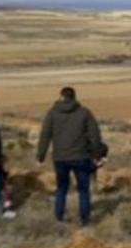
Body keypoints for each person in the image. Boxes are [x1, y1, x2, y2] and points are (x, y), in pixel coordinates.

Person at [37, 87, 104, 226]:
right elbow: (95, 135)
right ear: (74, 97)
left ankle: (59, 218)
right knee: (83, 190)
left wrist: (40, 156)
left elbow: (45, 135)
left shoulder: (52, 113)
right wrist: (97, 155)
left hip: (60, 158)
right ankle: (85, 220)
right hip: (81, 157)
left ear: (61, 97)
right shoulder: (84, 112)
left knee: (61, 188)